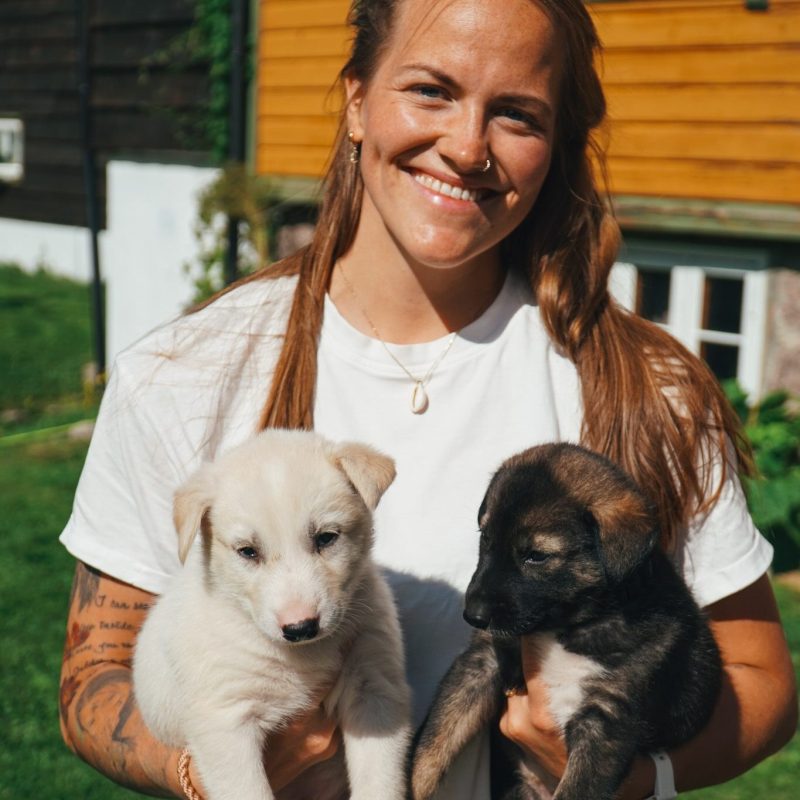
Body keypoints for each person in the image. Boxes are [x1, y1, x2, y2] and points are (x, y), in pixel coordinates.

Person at [58, 0, 797, 798]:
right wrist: (208, 772)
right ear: (356, 99)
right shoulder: (183, 374)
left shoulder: (650, 389)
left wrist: (629, 780)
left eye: (517, 114)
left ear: (555, 143)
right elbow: (95, 673)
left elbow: (761, 680)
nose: (467, 146)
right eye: (431, 91)